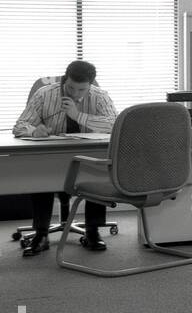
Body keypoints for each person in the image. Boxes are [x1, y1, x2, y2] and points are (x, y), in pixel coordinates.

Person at [13, 60, 116, 256]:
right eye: (70, 87)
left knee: (98, 172)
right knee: (40, 174)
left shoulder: (99, 96)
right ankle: (41, 235)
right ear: (64, 80)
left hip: (86, 159)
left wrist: (79, 116)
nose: (75, 94)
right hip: (52, 158)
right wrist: (35, 131)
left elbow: (115, 124)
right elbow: (19, 125)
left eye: (81, 89)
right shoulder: (44, 94)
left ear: (91, 85)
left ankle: (92, 232)